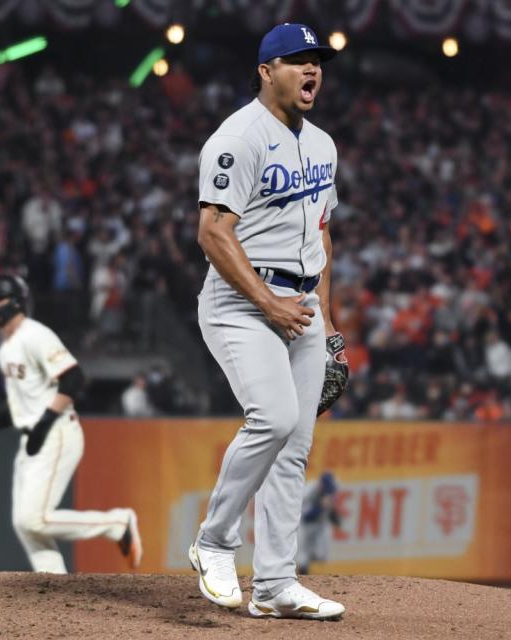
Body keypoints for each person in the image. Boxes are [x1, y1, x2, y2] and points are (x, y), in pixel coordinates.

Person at [189, 23, 346, 620]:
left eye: (317, 62)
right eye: (297, 61)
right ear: (266, 71)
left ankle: (276, 584)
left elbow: (321, 238)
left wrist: (326, 323)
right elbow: (212, 231)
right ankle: (214, 542)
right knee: (273, 417)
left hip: (301, 305)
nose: (312, 71)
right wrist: (268, 303)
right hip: (240, 304)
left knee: (294, 448)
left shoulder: (324, 144)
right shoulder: (237, 138)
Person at [0, 274, 142, 574]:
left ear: (18, 302)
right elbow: (26, 402)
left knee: (32, 519)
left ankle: (117, 523)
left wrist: (45, 423)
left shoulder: (35, 335)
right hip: (34, 434)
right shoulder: (6, 348)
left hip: (57, 431)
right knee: (25, 525)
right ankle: (54, 587)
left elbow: (74, 379)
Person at [297, 472, 342, 575]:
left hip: (320, 525)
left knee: (322, 556)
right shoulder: (309, 490)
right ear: (321, 484)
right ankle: (302, 575)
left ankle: (312, 562)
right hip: (305, 525)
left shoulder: (331, 489)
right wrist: (319, 506)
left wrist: (336, 520)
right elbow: (305, 515)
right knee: (303, 557)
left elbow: (330, 508)